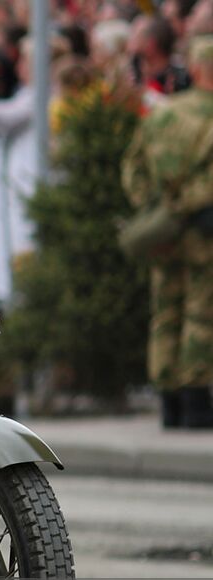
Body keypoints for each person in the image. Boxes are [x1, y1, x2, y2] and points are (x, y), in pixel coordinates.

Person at [120, 35, 213, 429]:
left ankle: (168, 402)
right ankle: (195, 400)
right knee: (200, 311)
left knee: (164, 312)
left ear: (193, 69)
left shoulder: (161, 115)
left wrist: (155, 208)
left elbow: (133, 168)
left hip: (163, 229)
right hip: (202, 227)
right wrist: (189, 204)